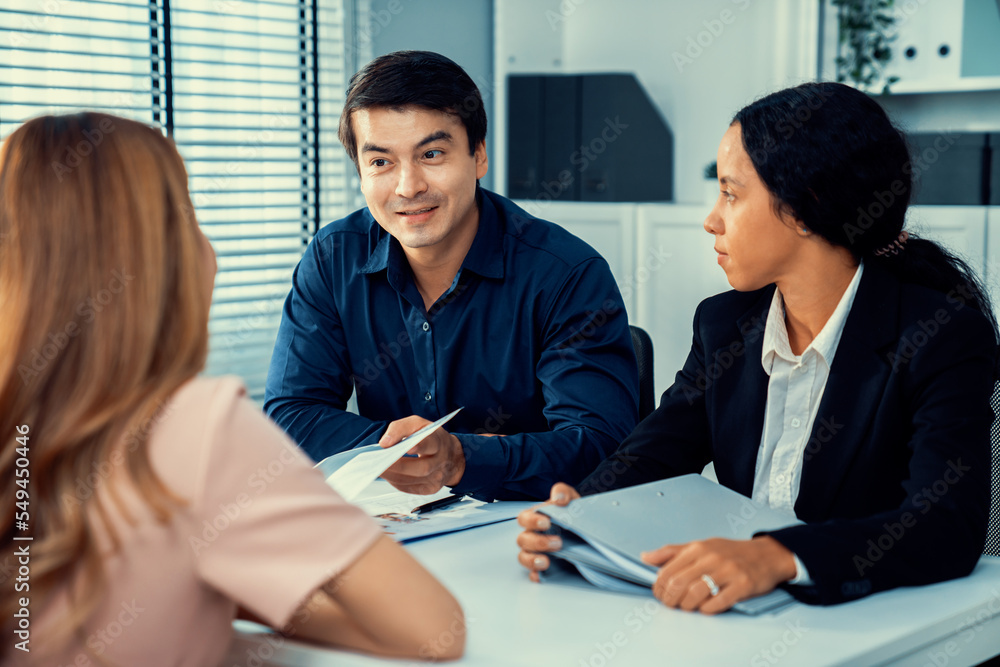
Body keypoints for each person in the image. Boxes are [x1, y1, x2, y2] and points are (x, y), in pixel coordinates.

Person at [0, 113, 464, 665]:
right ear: (159, 256)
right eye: (189, 216)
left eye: (431, 155)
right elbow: (434, 628)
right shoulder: (196, 427)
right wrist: (248, 589)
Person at [516, 81, 998, 612]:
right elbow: (654, 453)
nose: (711, 220)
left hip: (861, 617)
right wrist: (581, 509)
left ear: (805, 205)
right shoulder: (724, 324)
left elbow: (947, 523)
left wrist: (779, 556)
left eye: (730, 193)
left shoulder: (939, 336)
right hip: (736, 616)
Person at [264, 50, 639, 501]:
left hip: (528, 531)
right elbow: (290, 414)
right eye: (381, 162)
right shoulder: (332, 259)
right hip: (395, 527)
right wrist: (405, 455)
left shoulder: (566, 275)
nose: (408, 187)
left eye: (432, 154)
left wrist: (461, 459)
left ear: (478, 155)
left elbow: (601, 447)